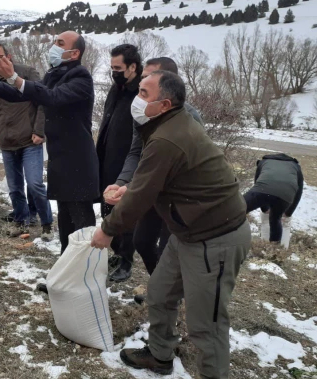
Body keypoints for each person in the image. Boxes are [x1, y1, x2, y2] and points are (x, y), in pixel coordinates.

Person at [92, 70, 250, 378]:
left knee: (208, 324)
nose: (137, 99)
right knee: (160, 294)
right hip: (188, 232)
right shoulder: (165, 125)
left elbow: (142, 196)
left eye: (144, 94)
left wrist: (108, 229)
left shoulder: (168, 136)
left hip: (216, 238)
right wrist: (130, 188)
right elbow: (154, 180)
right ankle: (160, 355)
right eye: (138, 91)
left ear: (164, 104)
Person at [0, 31, 99, 254]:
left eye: (59, 43)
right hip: (60, 161)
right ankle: (65, 280)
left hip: (79, 164)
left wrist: (14, 78)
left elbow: (51, 98)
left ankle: (86, 279)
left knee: (81, 226)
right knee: (65, 226)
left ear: (74, 53)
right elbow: (20, 95)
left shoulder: (81, 78)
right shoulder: (55, 75)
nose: (53, 46)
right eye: (55, 41)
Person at [105, 57, 204, 276]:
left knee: (169, 248)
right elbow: (135, 152)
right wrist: (122, 181)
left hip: (178, 195)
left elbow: (173, 167)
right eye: (143, 79)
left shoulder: (188, 119)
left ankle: (167, 295)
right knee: (142, 241)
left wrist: (108, 228)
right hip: (152, 186)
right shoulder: (143, 114)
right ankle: (160, 286)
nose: (142, 86)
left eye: (150, 79)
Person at [0, 41, 53, 240]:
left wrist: (39, 131)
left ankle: (47, 225)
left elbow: (43, 101)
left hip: (30, 140)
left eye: (0, 56)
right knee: (15, 187)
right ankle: (21, 221)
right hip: (7, 142)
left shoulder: (26, 73)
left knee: (35, 184)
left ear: (9, 57)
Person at [97, 44, 142, 283]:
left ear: (132, 67)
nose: (113, 71)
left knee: (125, 212)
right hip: (108, 158)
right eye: (112, 67)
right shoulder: (117, 89)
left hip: (128, 162)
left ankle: (126, 260)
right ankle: (116, 252)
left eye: (118, 67)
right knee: (108, 207)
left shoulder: (141, 93)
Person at [243, 153, 304, 243]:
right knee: (275, 219)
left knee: (239, 208)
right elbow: (299, 191)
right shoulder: (295, 166)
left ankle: (226, 234)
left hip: (262, 189)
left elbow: (257, 182)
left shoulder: (263, 162)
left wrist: (264, 209)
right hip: (285, 194)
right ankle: (274, 249)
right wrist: (289, 212)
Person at [0, 120, 39, 226]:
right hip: (11, 142)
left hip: (32, 139)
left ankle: (32, 211)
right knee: (14, 179)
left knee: (33, 179)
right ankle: (20, 211)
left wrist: (38, 131)